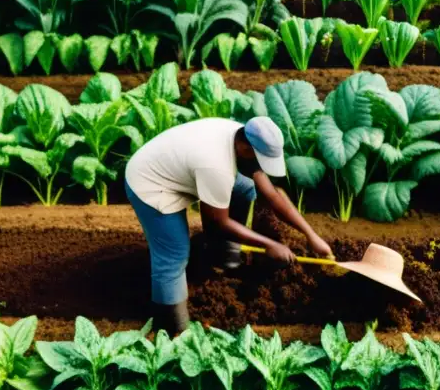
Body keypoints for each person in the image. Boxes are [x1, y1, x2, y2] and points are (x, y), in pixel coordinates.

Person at [124, 116, 334, 333]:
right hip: (150, 183)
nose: (260, 168)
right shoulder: (216, 165)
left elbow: (272, 195)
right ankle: (171, 327)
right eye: (259, 161)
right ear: (244, 148)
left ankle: (222, 258)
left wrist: (311, 235)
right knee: (174, 255)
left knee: (245, 188)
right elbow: (218, 221)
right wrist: (268, 244)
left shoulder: (244, 137)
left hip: (179, 165)